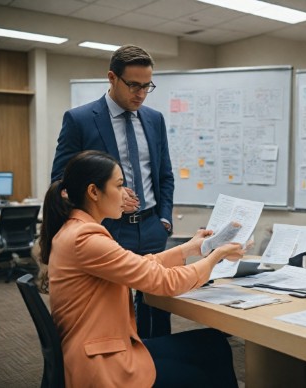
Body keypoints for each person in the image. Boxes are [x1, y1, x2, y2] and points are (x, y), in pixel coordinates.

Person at [40, 150, 243, 387]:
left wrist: (188, 249)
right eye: (119, 186)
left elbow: (140, 265)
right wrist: (215, 255)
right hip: (101, 363)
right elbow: (164, 281)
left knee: (213, 342)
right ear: (94, 191)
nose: (126, 194)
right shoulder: (85, 238)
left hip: (102, 347)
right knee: (207, 369)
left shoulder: (77, 229)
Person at [51, 45, 174, 338]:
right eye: (133, 85)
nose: (141, 94)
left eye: (147, 86)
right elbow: (60, 182)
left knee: (159, 309)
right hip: (108, 231)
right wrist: (112, 198)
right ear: (112, 78)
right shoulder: (80, 119)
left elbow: (165, 175)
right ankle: (126, 369)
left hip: (152, 226)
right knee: (116, 313)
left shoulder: (154, 119)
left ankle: (160, 367)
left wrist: (164, 220)